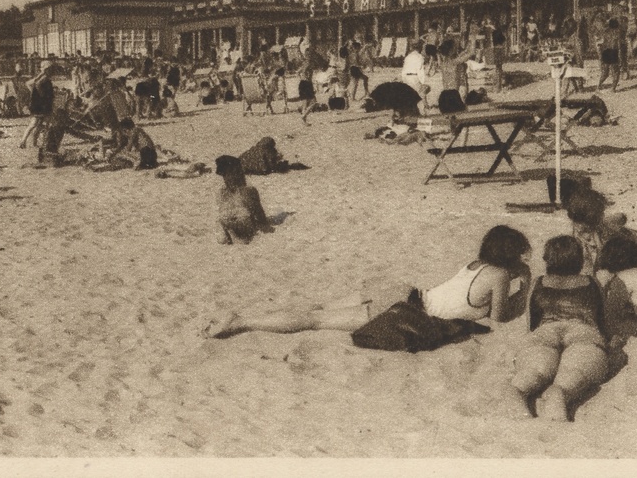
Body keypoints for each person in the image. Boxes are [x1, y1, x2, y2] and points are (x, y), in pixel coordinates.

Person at [204, 225, 532, 338]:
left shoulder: (477, 264)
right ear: (510, 255)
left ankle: (245, 315)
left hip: (404, 291)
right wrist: (527, 285)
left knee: (316, 309)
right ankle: (241, 322)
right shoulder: (501, 275)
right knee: (315, 320)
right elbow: (499, 316)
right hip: (404, 309)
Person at [505, 235, 610, 422]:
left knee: (528, 378)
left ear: (548, 260)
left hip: (545, 332)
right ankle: (558, 393)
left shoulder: (538, 282)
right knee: (569, 381)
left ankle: (518, 399)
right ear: (579, 259)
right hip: (583, 332)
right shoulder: (592, 282)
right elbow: (603, 323)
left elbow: (531, 325)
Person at [215, 154, 273, 245]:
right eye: (226, 175)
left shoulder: (248, 191)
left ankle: (232, 236)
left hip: (240, 226)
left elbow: (259, 215)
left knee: (225, 227)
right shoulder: (223, 192)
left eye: (228, 174)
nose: (227, 178)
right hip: (235, 225)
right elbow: (260, 215)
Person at [19, 62, 58, 149]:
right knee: (45, 123)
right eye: (50, 69)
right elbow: (37, 85)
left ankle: (24, 141)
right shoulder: (44, 78)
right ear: (48, 70)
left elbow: (28, 83)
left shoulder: (40, 77)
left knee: (35, 124)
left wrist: (34, 93)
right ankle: (40, 142)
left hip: (39, 104)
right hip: (43, 105)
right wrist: (41, 94)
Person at [436, 38, 476, 113]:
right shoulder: (455, 62)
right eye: (455, 47)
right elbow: (472, 52)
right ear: (451, 51)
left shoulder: (442, 63)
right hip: (453, 95)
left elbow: (465, 52)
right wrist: (473, 37)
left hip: (444, 96)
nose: (456, 48)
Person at [596, 18, 621, 92]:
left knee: (605, 72)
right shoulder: (617, 32)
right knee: (616, 72)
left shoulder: (605, 32)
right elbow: (618, 45)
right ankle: (613, 89)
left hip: (606, 52)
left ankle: (599, 86)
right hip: (614, 52)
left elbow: (600, 43)